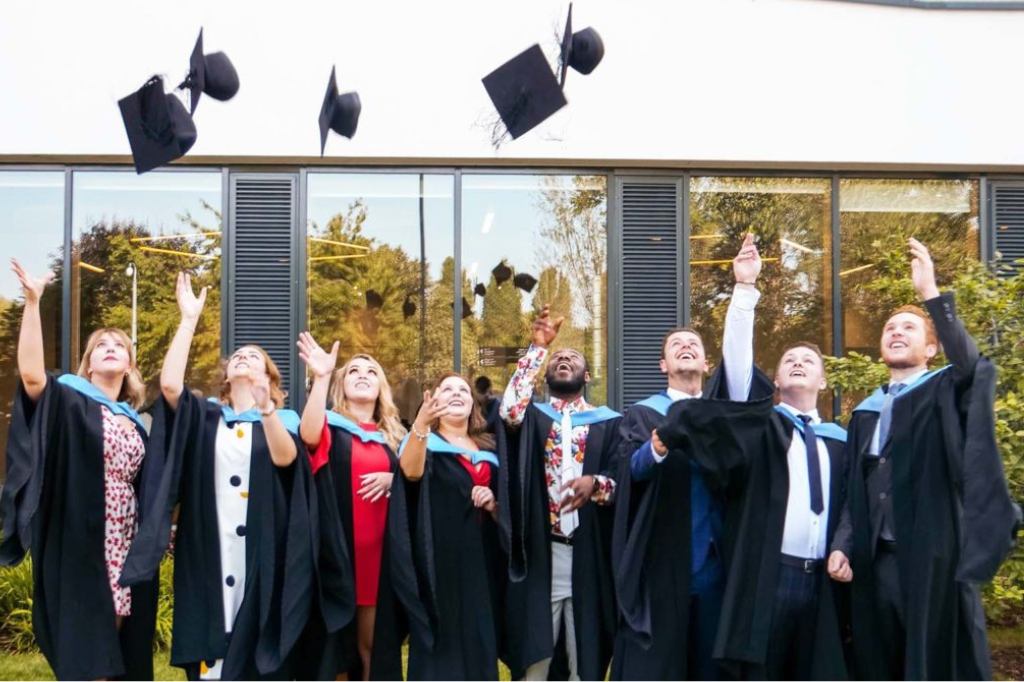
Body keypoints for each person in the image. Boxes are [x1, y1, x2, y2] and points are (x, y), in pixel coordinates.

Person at [828, 238, 1019, 680]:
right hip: (878, 565)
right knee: (880, 662)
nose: (896, 331)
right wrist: (842, 544)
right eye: (890, 327)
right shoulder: (865, 412)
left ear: (932, 350)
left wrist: (931, 297)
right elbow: (854, 489)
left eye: (909, 328)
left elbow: (972, 367)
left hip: (933, 560)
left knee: (934, 663)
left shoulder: (944, 392)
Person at [120, 272, 309, 680]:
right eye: (237, 356)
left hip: (263, 546)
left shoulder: (284, 419)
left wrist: (267, 411)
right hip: (209, 545)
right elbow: (170, 386)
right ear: (226, 377)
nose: (243, 357)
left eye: (254, 357)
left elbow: (286, 459)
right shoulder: (206, 417)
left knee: (260, 645)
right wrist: (188, 320)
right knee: (214, 655)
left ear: (270, 378)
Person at [612, 233, 765, 680]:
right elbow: (629, 470)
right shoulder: (642, 415)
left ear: (706, 363)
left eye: (694, 344)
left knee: (710, 667)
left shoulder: (720, 411)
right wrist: (658, 445)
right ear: (662, 364)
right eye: (676, 344)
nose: (686, 347)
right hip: (663, 562)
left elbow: (739, 361)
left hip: (716, 564)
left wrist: (744, 290)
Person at [0, 259, 158, 680]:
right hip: (80, 536)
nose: (110, 347)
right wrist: (33, 303)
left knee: (115, 643)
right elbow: (32, 375)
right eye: (101, 345)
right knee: (89, 649)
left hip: (124, 539)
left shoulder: (136, 420)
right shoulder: (71, 400)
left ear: (129, 367)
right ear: (88, 364)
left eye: (119, 346)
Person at [657, 341, 850, 680]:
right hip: (771, 577)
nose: (798, 363)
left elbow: (852, 504)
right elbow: (738, 376)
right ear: (775, 381)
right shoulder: (762, 430)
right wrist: (745, 296)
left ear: (823, 381)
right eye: (789, 358)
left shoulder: (838, 440)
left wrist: (843, 547)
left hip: (822, 580)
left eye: (808, 360)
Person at [499, 305, 622, 681]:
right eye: (558, 358)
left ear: (586, 376)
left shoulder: (610, 422)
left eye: (573, 358)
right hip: (542, 550)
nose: (564, 360)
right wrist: (537, 348)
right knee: (536, 662)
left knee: (584, 657)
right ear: (548, 374)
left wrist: (595, 484)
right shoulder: (534, 416)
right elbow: (509, 411)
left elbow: (621, 482)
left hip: (588, 551)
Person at [294, 335, 405, 681]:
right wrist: (322, 376)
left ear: (380, 387)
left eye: (370, 371)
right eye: (353, 370)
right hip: (337, 554)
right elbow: (307, 435)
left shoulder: (396, 438)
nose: (362, 374)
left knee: (373, 645)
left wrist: (394, 479)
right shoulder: (331, 425)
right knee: (334, 649)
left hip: (380, 557)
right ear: (342, 384)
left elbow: (416, 484)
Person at [387, 372, 506, 680]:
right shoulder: (424, 441)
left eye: (463, 390)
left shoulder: (490, 447)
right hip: (438, 557)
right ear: (433, 399)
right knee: (442, 645)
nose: (457, 394)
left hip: (481, 560)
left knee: (479, 637)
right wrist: (422, 425)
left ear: (473, 404)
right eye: (447, 389)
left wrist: (494, 503)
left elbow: (505, 505)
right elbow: (410, 473)